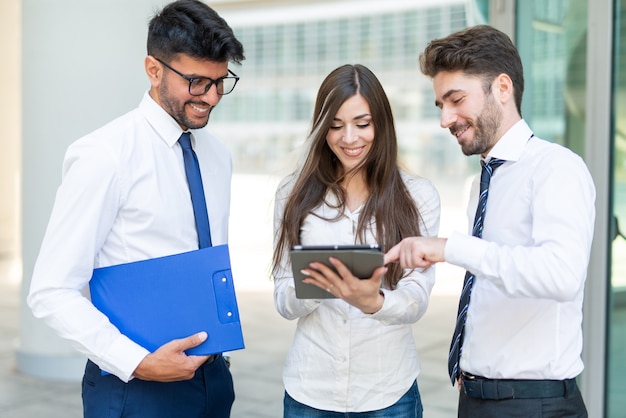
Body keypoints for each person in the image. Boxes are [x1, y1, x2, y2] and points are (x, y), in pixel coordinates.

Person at [27, 1, 244, 417]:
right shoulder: (104, 156)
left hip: (214, 382)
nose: (212, 97)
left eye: (221, 82)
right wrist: (137, 363)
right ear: (153, 69)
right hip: (136, 390)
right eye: (197, 82)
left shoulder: (217, 156)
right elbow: (51, 291)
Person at [385, 25, 595, 418]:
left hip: (534, 405)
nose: (445, 119)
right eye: (440, 105)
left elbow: (562, 275)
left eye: (456, 99)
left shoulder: (557, 168)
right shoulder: (484, 180)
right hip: (479, 398)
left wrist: (450, 248)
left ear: (502, 88)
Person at [271, 64, 441, 418]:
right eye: (335, 126)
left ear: (382, 123)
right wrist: (317, 289)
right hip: (310, 391)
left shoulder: (418, 195)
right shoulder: (292, 193)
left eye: (362, 124)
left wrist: (374, 302)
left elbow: (417, 297)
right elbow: (283, 297)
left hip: (388, 393)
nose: (349, 138)